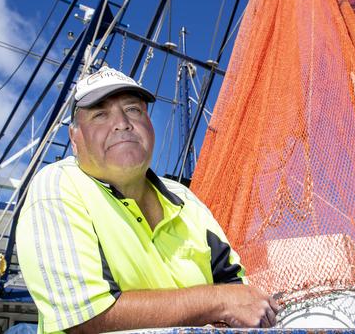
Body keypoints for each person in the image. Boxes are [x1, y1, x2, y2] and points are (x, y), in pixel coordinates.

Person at [16, 66, 279, 334]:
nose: (122, 123)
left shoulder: (185, 198)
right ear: (74, 138)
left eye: (133, 110)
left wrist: (229, 302)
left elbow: (237, 291)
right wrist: (219, 302)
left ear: (149, 125)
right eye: (100, 115)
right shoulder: (58, 186)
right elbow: (86, 317)